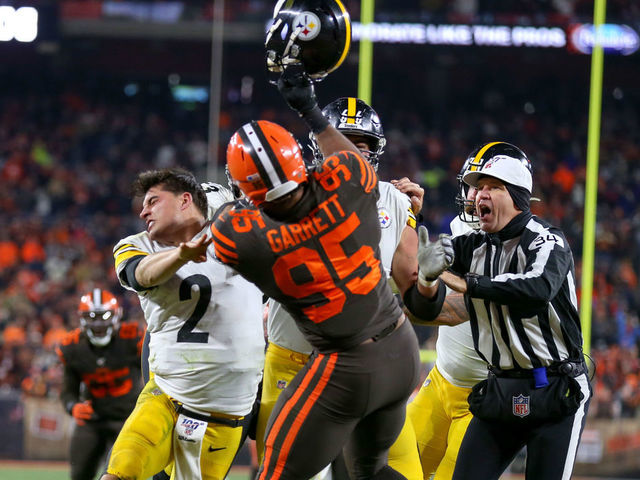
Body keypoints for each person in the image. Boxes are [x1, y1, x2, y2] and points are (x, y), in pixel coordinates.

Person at [211, 67, 421, 480]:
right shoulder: (355, 183)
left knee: (278, 471)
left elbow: (230, 220)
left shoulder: (245, 238)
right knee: (371, 470)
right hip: (398, 348)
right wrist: (309, 109)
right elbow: (348, 161)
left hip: (342, 363)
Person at [411, 142, 592, 480]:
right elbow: (428, 293)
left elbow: (536, 290)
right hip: (501, 388)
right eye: (476, 187)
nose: (479, 194)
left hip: (555, 390)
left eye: (492, 186)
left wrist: (471, 284)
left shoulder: (547, 240)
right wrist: (424, 275)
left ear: (517, 195)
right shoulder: (472, 243)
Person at [102, 170, 265, 480]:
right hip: (167, 395)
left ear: (186, 202)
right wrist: (181, 254)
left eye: (153, 201)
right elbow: (142, 274)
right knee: (120, 472)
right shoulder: (138, 244)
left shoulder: (242, 246)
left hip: (227, 410)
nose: (143, 211)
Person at [390, 156, 488, 480]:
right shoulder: (460, 229)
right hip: (441, 381)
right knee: (391, 469)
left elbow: (450, 311)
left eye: (485, 187)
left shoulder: (515, 247)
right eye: (472, 186)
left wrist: (394, 302)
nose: (475, 197)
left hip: (482, 396)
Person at [56, 289, 144, 480]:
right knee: (79, 474)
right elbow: (67, 391)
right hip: (92, 420)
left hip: (126, 419)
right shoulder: (72, 347)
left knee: (120, 473)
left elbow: (153, 374)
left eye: (104, 316)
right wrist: (73, 407)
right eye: (91, 317)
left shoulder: (133, 338)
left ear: (117, 315)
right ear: (81, 318)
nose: (98, 323)